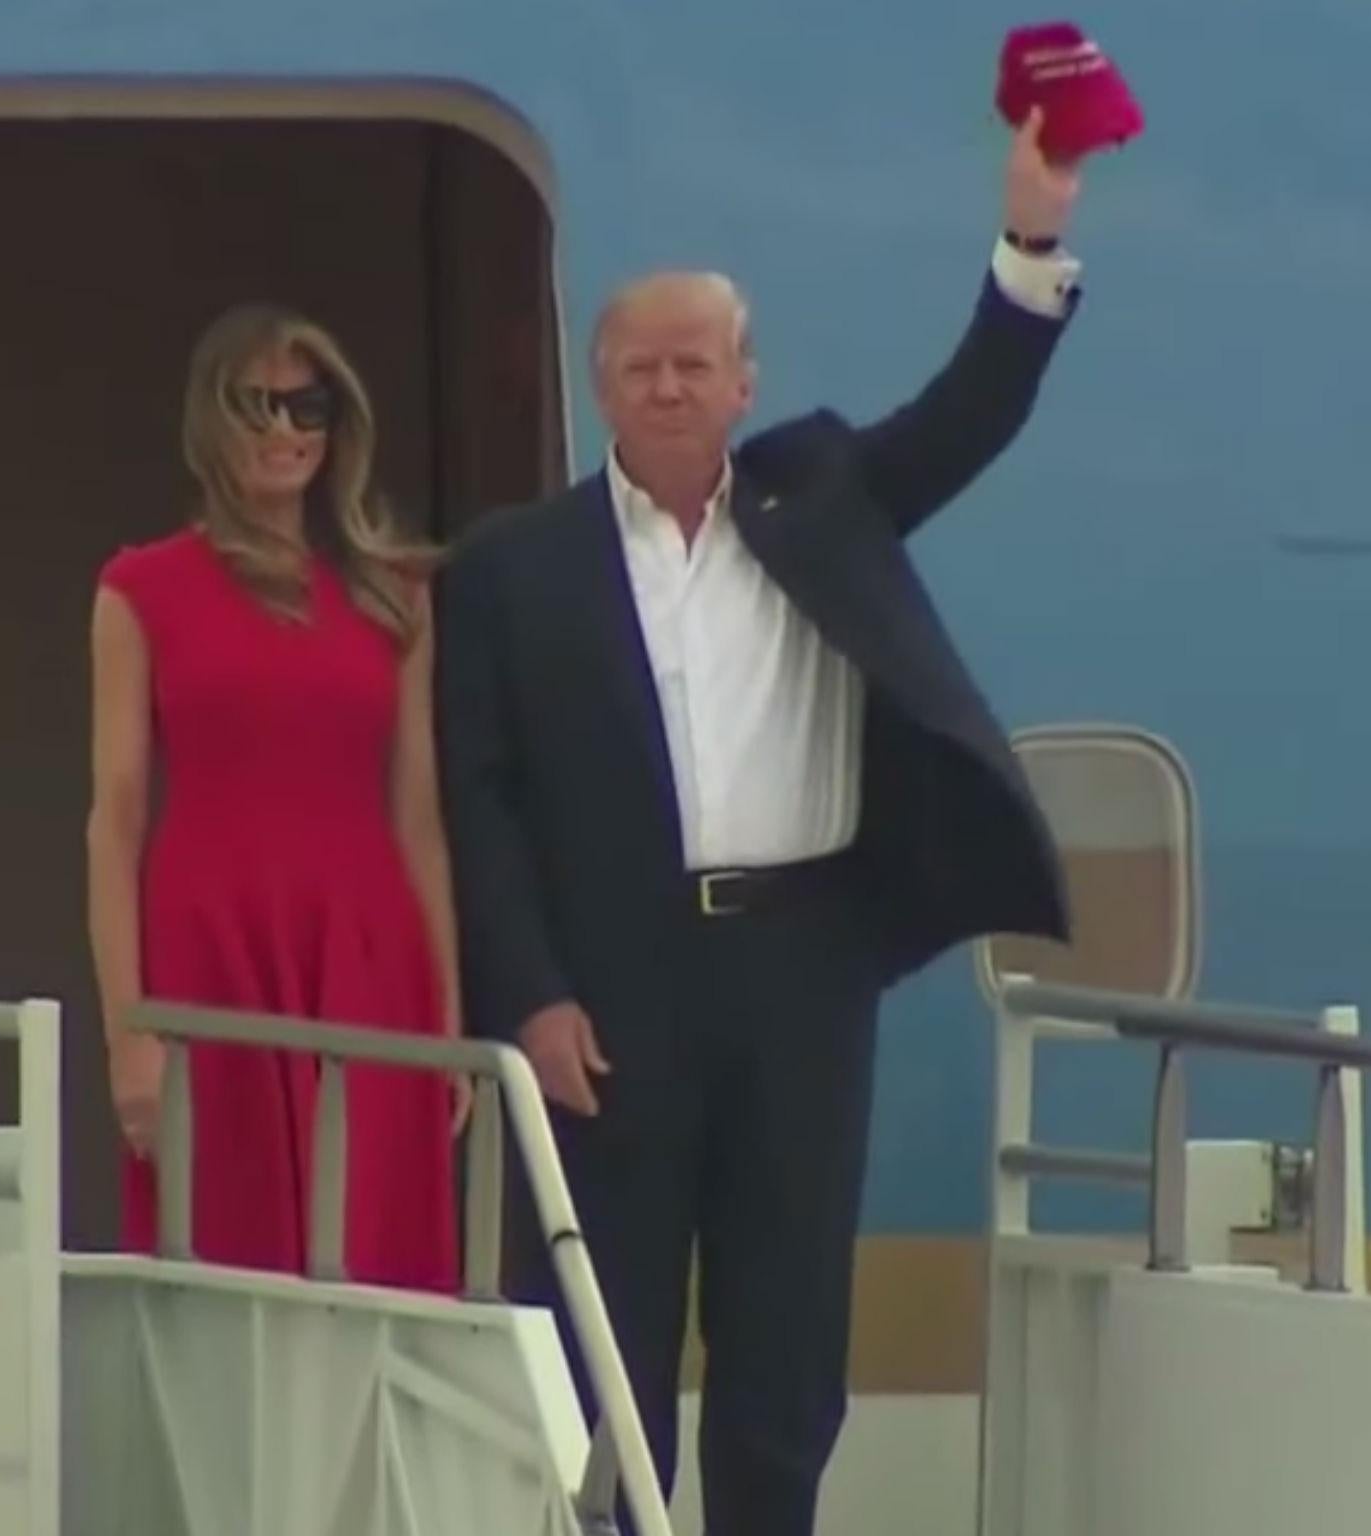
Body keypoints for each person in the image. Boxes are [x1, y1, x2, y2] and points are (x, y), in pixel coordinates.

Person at [435, 109, 1084, 1530]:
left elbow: (969, 412)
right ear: (599, 382)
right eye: (641, 365)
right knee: (604, 1309)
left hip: (802, 962)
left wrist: (1030, 241)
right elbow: (474, 804)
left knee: (786, 1325)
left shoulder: (825, 499)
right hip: (613, 983)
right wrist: (530, 993)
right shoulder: (509, 569)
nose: (669, 388)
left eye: (696, 365)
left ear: (743, 384)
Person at [86, 303, 462, 1291]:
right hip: (207, 952)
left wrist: (449, 1021)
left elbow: (418, 814)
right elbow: (114, 820)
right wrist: (129, 1037)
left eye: (309, 406)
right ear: (210, 420)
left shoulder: (394, 590)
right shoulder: (141, 589)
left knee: (373, 1254)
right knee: (219, 1244)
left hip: (368, 953)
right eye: (256, 405)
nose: (285, 430)